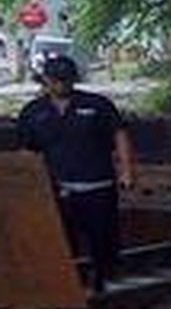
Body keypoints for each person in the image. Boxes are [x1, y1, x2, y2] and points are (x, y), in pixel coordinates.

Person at [17, 55, 135, 293]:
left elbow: (119, 135)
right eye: (56, 80)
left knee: (101, 237)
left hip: (97, 184)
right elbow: (27, 151)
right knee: (61, 239)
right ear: (46, 81)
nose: (61, 85)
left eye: (66, 80)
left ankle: (103, 279)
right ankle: (67, 283)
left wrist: (127, 171)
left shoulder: (97, 105)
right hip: (56, 188)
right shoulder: (33, 112)